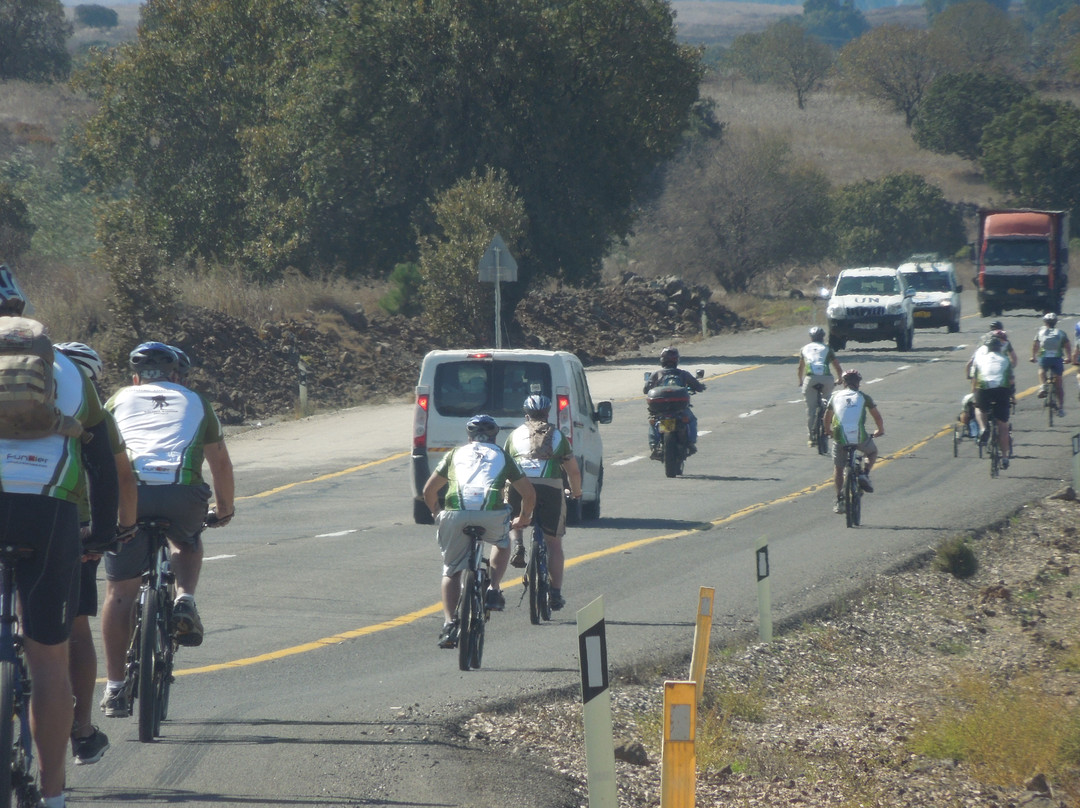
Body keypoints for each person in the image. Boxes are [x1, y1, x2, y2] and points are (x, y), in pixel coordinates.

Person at [0, 267, 122, 808]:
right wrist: (105, 531)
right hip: (49, 510)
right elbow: (101, 458)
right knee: (48, 659)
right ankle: (53, 797)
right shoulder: (70, 368)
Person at [100, 342, 235, 716]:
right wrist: (224, 510)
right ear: (177, 376)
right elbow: (220, 463)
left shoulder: (117, 399)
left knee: (119, 592)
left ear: (135, 377)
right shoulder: (195, 401)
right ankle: (184, 599)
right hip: (182, 494)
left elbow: (97, 456)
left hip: (131, 493)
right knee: (188, 540)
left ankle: (114, 688)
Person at [54, 342, 138, 766]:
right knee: (74, 631)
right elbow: (119, 474)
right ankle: (82, 731)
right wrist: (113, 533)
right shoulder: (91, 407)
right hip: (67, 523)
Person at [422, 415, 535, 649]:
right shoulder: (502, 455)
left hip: (456, 512)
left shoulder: (454, 454)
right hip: (491, 512)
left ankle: (449, 623)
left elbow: (428, 491)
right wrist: (523, 518)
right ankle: (494, 588)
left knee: (452, 570)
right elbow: (528, 494)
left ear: (468, 436)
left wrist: (436, 513)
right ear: (494, 436)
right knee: (502, 542)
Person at [503, 395, 582, 612]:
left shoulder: (514, 435)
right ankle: (555, 594)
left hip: (521, 485)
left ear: (525, 413)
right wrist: (576, 493)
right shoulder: (558, 435)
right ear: (548, 413)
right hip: (550, 487)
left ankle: (517, 543)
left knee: (515, 519)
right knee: (554, 543)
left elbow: (505, 467)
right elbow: (573, 471)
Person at [823, 369, 884, 514]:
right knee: (872, 452)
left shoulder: (835, 396)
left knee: (838, 469)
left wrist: (827, 430)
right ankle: (865, 473)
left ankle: (839, 500)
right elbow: (877, 416)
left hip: (840, 435)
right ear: (858, 383)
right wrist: (879, 430)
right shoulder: (864, 397)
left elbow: (827, 416)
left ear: (843, 383)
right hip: (859, 435)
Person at [643, 346, 706, 455]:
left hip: (660, 409)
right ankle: (691, 443)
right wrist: (701, 386)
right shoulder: (683, 374)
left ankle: (653, 446)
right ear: (676, 360)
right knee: (691, 419)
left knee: (653, 421)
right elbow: (698, 387)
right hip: (679, 408)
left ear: (662, 360)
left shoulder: (656, 374)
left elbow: (646, 389)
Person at [796, 326, 843, 446]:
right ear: (823, 337)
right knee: (829, 404)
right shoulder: (827, 348)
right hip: (826, 379)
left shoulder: (804, 349)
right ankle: (831, 427)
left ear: (811, 338)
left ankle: (812, 438)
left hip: (810, 379)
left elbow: (800, 368)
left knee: (811, 410)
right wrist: (840, 378)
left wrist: (800, 381)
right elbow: (837, 366)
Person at [972, 335, 1014, 468]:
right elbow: (1011, 380)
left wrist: (975, 395)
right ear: (999, 348)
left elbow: (975, 380)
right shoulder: (1005, 359)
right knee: (1003, 425)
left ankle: (983, 428)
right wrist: (1012, 395)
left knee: (979, 407)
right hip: (1002, 391)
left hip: (984, 389)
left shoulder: (981, 358)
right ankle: (1005, 457)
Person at [1032, 312, 1070, 418]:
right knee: (1059, 385)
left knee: (1041, 369)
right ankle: (1061, 408)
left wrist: (1033, 356)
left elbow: (1035, 345)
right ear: (1056, 322)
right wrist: (1069, 357)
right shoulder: (1061, 333)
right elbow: (1067, 345)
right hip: (1057, 359)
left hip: (1045, 358)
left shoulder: (1040, 332)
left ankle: (1043, 385)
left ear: (1045, 322)